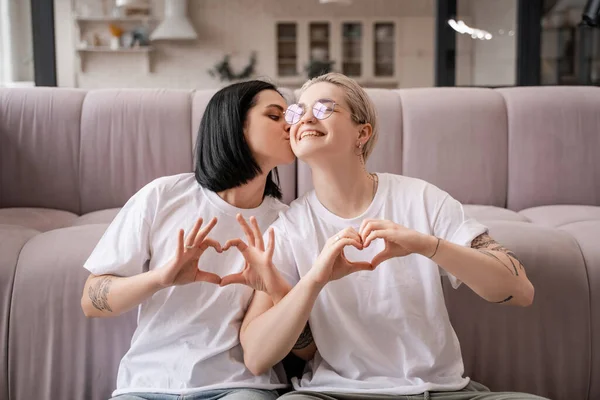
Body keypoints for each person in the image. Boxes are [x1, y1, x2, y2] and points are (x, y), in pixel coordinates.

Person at [221, 73, 546, 400]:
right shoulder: (289, 228)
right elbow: (257, 357)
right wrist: (313, 281)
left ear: (362, 133)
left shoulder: (421, 198)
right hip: (334, 394)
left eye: (323, 108)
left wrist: (427, 246)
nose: (304, 117)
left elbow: (520, 291)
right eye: (297, 111)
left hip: (440, 392)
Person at [80, 80, 295, 400]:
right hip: (147, 382)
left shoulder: (286, 221)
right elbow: (91, 301)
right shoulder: (163, 196)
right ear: (235, 126)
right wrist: (161, 278)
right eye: (275, 116)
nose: (291, 124)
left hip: (239, 385)